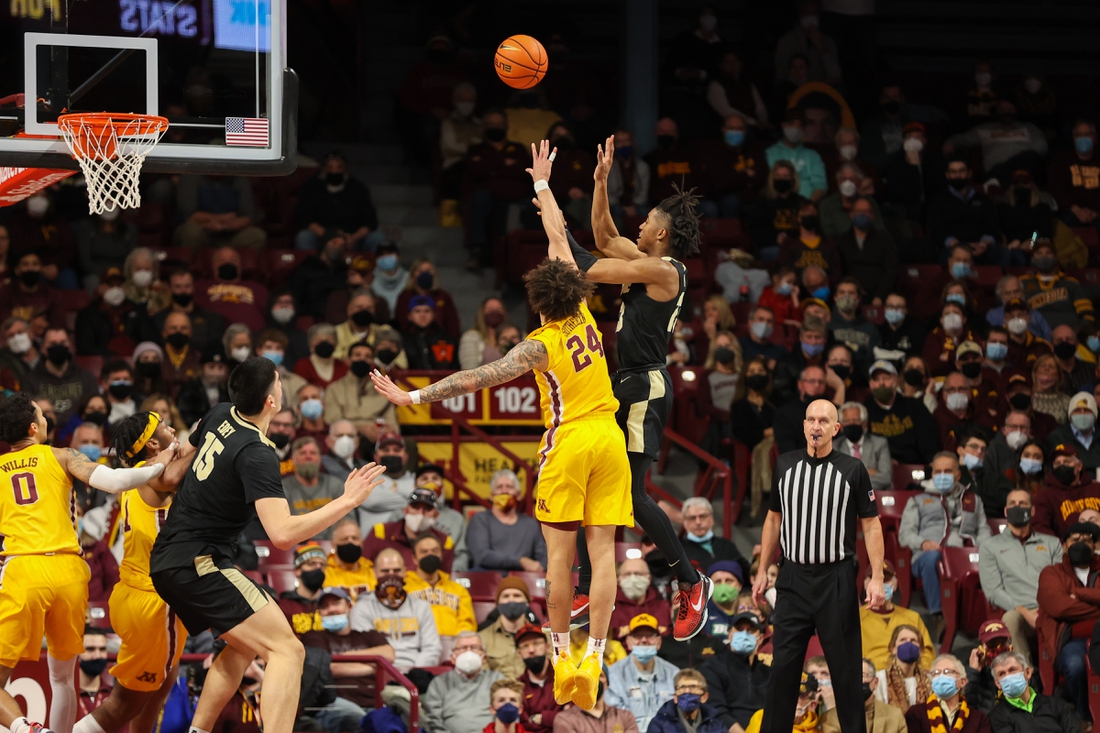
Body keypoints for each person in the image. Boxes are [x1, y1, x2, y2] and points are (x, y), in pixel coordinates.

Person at [376, 144, 631, 708]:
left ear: (538, 302)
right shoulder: (586, 313)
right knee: (606, 554)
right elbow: (560, 239)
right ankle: (596, 653)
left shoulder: (537, 346)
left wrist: (414, 393)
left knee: (561, 559)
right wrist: (544, 188)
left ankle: (563, 653)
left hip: (569, 442)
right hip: (610, 439)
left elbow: (474, 378)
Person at [147, 358, 384, 733]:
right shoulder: (257, 452)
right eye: (278, 381)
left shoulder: (219, 413)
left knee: (241, 646)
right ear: (272, 400)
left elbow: (173, 473)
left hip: (171, 556)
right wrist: (348, 501)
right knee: (289, 650)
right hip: (199, 562)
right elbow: (283, 534)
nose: (281, 385)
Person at [0, 393, 182, 733]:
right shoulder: (60, 455)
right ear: (33, 427)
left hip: (23, 569)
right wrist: (159, 465)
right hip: (69, 571)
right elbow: (114, 481)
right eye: (42, 416)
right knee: (63, 679)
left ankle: (26, 729)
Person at [751, 397, 885, 733]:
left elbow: (871, 524)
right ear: (803, 426)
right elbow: (772, 520)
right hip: (793, 578)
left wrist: (877, 577)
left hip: (835, 579)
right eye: (811, 420)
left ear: (836, 429)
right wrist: (761, 570)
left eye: (824, 421)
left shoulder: (853, 469)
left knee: (846, 675)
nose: (816, 426)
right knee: (782, 672)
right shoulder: (784, 465)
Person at [68, 411, 190, 733]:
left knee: (165, 679)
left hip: (136, 591)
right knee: (124, 703)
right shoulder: (158, 475)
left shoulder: (138, 474)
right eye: (164, 426)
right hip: (153, 599)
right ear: (152, 443)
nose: (171, 428)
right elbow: (180, 469)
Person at [900, 452, 991, 625]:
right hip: (929, 555)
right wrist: (924, 543)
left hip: (966, 554)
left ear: (957, 474)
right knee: (932, 558)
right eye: (938, 471)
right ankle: (939, 616)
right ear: (932, 474)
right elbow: (905, 535)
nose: (942, 475)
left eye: (948, 471)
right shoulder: (917, 499)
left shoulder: (973, 499)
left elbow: (983, 529)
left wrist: (984, 549)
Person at [978, 489, 1061, 663]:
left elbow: (1061, 580)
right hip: (1019, 611)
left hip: (1051, 608)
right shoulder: (990, 546)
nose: (1018, 507)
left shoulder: (1052, 543)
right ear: (1006, 512)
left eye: (1023, 504)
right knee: (1010, 619)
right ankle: (1025, 676)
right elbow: (993, 591)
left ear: (1032, 511)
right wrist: (1024, 611)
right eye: (1013, 504)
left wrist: (1046, 609)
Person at [300, 587, 394, 733]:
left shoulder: (370, 636)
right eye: (325, 607)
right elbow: (328, 668)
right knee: (361, 722)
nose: (331, 609)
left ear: (349, 606)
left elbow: (389, 654)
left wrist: (342, 658)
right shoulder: (313, 637)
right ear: (319, 614)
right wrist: (374, 665)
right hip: (334, 704)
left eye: (337, 603)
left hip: (376, 703)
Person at [1036, 522, 1100, 722]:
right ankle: (1085, 713)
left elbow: (1069, 605)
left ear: (1094, 546)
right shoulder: (1051, 573)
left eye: (1087, 540)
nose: (1081, 544)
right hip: (1071, 640)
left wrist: (1078, 594)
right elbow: (1059, 607)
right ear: (1064, 545)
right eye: (1075, 540)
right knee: (1075, 665)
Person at [349, 548, 442, 672]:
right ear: (375, 572)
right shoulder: (362, 608)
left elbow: (432, 648)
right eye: (385, 571)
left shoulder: (421, 607)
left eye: (396, 570)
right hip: (378, 674)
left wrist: (414, 673)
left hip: (416, 673)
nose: (391, 575)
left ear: (405, 571)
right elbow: (364, 651)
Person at [293, 151, 381, 253]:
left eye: (339, 167)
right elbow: (304, 217)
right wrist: (329, 236)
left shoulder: (358, 188)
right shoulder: (311, 187)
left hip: (352, 237)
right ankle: (310, 267)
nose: (334, 171)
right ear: (324, 169)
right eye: (330, 167)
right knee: (303, 237)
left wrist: (353, 238)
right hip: (322, 235)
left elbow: (369, 220)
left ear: (345, 169)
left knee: (377, 237)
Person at [698, 611, 771, 732]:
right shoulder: (712, 667)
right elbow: (716, 710)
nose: (744, 634)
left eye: (751, 630)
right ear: (730, 634)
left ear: (760, 639)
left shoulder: (768, 673)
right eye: (739, 629)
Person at [859, 561, 935, 673]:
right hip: (870, 677)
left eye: (886, 580)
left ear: (895, 585)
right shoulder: (855, 618)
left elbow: (927, 654)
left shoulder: (913, 618)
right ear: (866, 585)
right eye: (876, 580)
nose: (881, 585)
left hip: (908, 675)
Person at [465, 468, 547, 571]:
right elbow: (482, 556)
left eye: (509, 487)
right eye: (499, 487)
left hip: (524, 582)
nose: (504, 491)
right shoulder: (480, 520)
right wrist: (521, 562)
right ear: (491, 495)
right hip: (488, 580)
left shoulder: (530, 524)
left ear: (518, 495)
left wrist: (539, 567)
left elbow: (543, 558)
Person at [422, 631, 505, 733]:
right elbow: (433, 721)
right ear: (452, 658)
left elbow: (508, 714)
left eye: (474, 647)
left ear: (484, 658)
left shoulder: (497, 679)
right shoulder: (439, 683)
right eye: (463, 648)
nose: (468, 652)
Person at [605, 614, 677, 731]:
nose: (644, 640)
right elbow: (614, 720)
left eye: (649, 635)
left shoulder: (673, 673)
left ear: (659, 642)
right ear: (628, 642)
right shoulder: (614, 675)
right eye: (638, 636)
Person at [926, 157, 1003, 266]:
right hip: (954, 247)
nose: (958, 175)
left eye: (961, 171)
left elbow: (993, 228)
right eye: (953, 172)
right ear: (947, 175)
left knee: (1005, 254)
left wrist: (984, 244)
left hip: (981, 246)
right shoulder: (938, 201)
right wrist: (959, 246)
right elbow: (937, 230)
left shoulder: (983, 200)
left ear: (969, 173)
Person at [323, 340, 398, 448]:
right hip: (348, 436)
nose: (362, 359)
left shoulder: (382, 388)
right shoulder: (334, 389)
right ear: (348, 360)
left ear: (372, 362)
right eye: (357, 355)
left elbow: (393, 425)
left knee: (408, 444)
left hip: (379, 437)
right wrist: (361, 428)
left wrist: (387, 429)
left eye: (367, 356)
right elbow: (332, 421)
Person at [361, 488, 457, 572]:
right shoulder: (380, 532)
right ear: (405, 510)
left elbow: (444, 580)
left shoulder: (445, 542)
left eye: (427, 509)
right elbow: (363, 570)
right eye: (415, 507)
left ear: (436, 515)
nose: (420, 513)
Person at [404, 533, 476, 639]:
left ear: (441, 555)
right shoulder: (403, 588)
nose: (430, 555)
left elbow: (467, 622)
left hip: (454, 646)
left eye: (435, 551)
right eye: (424, 552)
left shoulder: (458, 590)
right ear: (414, 558)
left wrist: (457, 641)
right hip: (416, 646)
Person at [23, 327, 100, 426]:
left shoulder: (86, 377)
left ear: (70, 345)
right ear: (42, 348)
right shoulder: (31, 379)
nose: (58, 347)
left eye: (63, 343)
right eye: (53, 344)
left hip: (80, 431)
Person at [987, 650, 1081, 731]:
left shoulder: (1057, 705)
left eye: (1012, 670)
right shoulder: (997, 716)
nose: (1008, 676)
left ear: (1028, 672)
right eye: (1002, 674)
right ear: (998, 683)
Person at [902, 654, 992, 733]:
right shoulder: (916, 714)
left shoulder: (979, 719)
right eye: (936, 673)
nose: (941, 677)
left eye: (947, 672)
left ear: (963, 681)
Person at [834, 198, 898, 306]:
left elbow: (891, 270)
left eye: (867, 212)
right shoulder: (842, 240)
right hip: (851, 294)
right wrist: (853, 290)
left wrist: (880, 296)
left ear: (873, 216)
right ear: (851, 214)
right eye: (859, 212)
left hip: (879, 295)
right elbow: (840, 270)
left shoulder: (884, 238)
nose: (863, 215)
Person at [174, 174, 265, 249]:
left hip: (230, 233)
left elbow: (248, 218)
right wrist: (226, 218)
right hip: (202, 231)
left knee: (257, 235)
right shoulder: (190, 176)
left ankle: (237, 270)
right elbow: (190, 217)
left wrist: (223, 226)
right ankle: (187, 270)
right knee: (191, 232)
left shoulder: (240, 179)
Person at [1019, 239, 1095, 329]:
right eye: (1039, 253)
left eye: (1048, 253)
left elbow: (1087, 314)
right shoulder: (1022, 282)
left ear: (1056, 257)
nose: (1044, 257)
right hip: (1034, 335)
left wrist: (1082, 333)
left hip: (1069, 336)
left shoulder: (1071, 283)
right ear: (1033, 259)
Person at [281, 437, 346, 541]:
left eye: (313, 453)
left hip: (332, 544)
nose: (308, 457)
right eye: (302, 453)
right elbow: (283, 526)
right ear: (293, 459)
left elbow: (346, 522)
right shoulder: (283, 488)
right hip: (295, 545)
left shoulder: (335, 485)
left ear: (320, 458)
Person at [1032, 444, 1100, 537]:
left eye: (1067, 462)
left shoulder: (1097, 489)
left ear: (1079, 466)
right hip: (1065, 548)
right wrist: (1060, 547)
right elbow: (1039, 527)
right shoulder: (1045, 496)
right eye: (1057, 463)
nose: (1062, 466)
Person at [822, 658, 906, 733]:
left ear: (875, 682)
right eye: (851, 676)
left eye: (862, 675)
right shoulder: (829, 718)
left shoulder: (895, 716)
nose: (856, 681)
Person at [678, 498, 750, 581]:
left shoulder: (727, 546)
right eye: (692, 518)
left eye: (702, 516)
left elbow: (746, 574)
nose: (698, 522)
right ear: (685, 522)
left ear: (711, 519)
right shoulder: (679, 551)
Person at [552, 666, 638, 733]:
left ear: (607, 683)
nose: (594, 680)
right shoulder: (565, 720)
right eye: (588, 675)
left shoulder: (626, 717)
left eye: (599, 675)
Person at [480, 577, 535, 680]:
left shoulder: (542, 637)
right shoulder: (482, 639)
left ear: (527, 601)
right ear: (497, 603)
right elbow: (483, 679)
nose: (511, 600)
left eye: (517, 596)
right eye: (505, 596)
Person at [767, 110, 828, 202]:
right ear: (783, 125)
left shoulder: (812, 155)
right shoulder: (770, 153)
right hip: (778, 205)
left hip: (807, 206)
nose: (796, 127)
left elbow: (820, 185)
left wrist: (809, 204)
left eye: (800, 125)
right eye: (792, 123)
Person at [1049, 120, 1100, 228]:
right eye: (1078, 135)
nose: (1083, 138)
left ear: (1095, 137)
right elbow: (1055, 189)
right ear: (1073, 139)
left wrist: (1095, 212)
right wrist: (1075, 210)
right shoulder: (1061, 160)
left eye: (1087, 134)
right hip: (1071, 210)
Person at [513, 624, 561, 733]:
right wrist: (555, 719)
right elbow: (524, 724)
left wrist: (542, 718)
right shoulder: (518, 686)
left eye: (536, 643)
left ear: (547, 647)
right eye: (525, 646)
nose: (531, 650)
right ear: (520, 653)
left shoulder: (564, 677)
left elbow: (573, 716)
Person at [647, 669, 727, 733]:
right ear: (675, 697)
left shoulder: (716, 724)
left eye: (693, 687)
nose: (687, 692)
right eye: (682, 687)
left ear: (704, 697)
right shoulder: (659, 724)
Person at [835, 401, 892, 491]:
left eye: (856, 420)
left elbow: (885, 478)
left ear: (864, 424)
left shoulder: (879, 443)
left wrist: (851, 483)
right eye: (846, 421)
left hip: (874, 498)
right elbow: (832, 480)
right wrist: (866, 473)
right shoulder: (834, 447)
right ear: (841, 427)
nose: (851, 424)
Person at [872, 625, 931, 711]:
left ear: (920, 650)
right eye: (903, 640)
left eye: (913, 640)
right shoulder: (880, 679)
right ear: (893, 649)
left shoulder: (930, 680)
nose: (908, 644)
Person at [609, 560, 671, 640]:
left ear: (649, 578)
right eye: (627, 574)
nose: (633, 579)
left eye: (638, 574)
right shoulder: (610, 608)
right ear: (619, 579)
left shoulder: (662, 607)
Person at [323, 517, 377, 598]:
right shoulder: (324, 573)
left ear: (361, 543)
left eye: (355, 538)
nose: (350, 542)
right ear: (333, 545)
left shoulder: (373, 572)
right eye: (344, 539)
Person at [1049, 392, 1100, 472]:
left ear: (1095, 416)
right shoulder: (1057, 437)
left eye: (1087, 410)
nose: (1082, 414)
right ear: (1070, 416)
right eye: (1077, 411)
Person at [460, 297, 512, 369]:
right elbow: (469, 369)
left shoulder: (516, 335)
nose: (495, 312)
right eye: (490, 309)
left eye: (499, 309)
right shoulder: (471, 337)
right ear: (482, 313)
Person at [75, 629, 112, 720]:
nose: (97, 656)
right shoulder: (68, 697)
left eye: (102, 649)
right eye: (90, 649)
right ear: (77, 653)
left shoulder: (114, 696)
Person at [877, 294, 926, 360]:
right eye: (890, 306)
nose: (894, 310)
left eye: (899, 307)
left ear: (906, 311)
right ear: (884, 309)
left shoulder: (917, 329)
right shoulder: (878, 330)